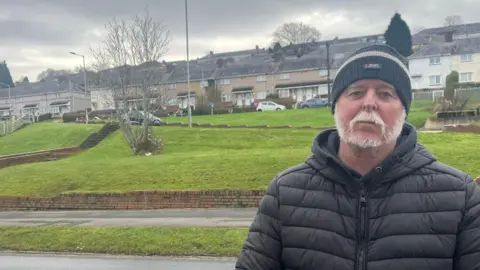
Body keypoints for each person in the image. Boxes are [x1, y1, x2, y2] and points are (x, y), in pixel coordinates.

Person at [235, 44, 480, 270]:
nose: (369, 103)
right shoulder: (285, 193)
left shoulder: (460, 196)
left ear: (404, 111)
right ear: (335, 106)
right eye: (355, 92)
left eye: (385, 94)